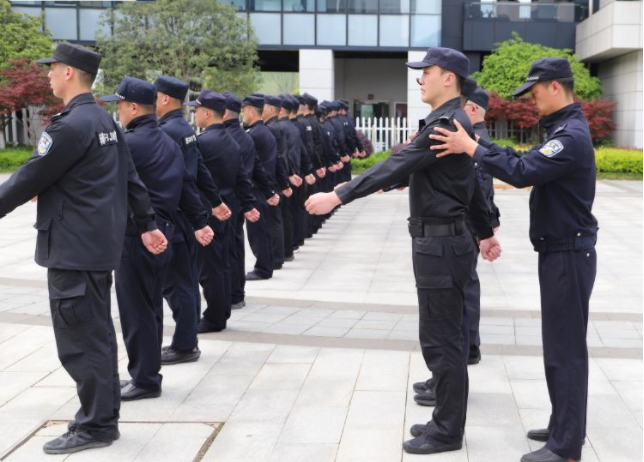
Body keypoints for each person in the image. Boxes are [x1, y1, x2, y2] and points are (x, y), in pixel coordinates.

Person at [305, 47, 502, 456]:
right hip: (448, 241)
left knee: (441, 340)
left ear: (449, 78)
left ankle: (447, 432)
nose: (419, 79)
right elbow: (466, 182)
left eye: (425, 72)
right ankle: (443, 421)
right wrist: (485, 231)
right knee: (445, 336)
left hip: (440, 245)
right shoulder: (455, 122)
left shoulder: (445, 124)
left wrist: (337, 194)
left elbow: (393, 166)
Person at [427, 57, 598, 462]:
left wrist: (471, 148)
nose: (531, 99)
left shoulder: (570, 136)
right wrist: (481, 145)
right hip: (561, 251)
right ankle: (564, 425)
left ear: (555, 86)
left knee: (566, 351)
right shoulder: (561, 129)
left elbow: (522, 171)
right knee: (559, 346)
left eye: (534, 91)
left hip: (568, 254)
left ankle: (566, 445)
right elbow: (520, 158)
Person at [0, 43, 167, 454]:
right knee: (96, 336)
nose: (48, 76)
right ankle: (101, 417)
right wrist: (146, 224)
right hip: (95, 246)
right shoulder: (104, 121)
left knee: (81, 342)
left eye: (52, 69)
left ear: (70, 73)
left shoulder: (70, 126)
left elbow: (26, 180)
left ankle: (95, 426)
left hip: (73, 250)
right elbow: (129, 178)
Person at [100, 77, 214, 401]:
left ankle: (145, 379)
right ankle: (147, 374)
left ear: (133, 107)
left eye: (120, 106)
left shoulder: (128, 144)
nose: (118, 112)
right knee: (151, 309)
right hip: (165, 233)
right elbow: (187, 186)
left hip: (136, 236)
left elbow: (110, 187)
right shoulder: (167, 141)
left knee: (136, 312)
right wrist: (199, 222)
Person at [154, 75, 231, 364]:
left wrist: (206, 210)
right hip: (187, 215)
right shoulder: (183, 127)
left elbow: (185, 177)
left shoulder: (168, 131)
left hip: (175, 217)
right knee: (185, 281)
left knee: (177, 284)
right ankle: (186, 341)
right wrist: (215, 202)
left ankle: (185, 345)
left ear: (163, 99)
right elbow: (200, 172)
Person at [188, 90, 260, 333]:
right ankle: (223, 309)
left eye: (196, 110)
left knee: (210, 269)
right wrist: (248, 205)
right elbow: (242, 178)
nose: (194, 114)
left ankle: (215, 317)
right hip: (229, 210)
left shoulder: (203, 142)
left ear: (207, 113)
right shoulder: (232, 140)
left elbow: (196, 179)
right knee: (223, 263)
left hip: (210, 211)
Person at [222, 91, 276, 307]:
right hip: (241, 199)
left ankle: (231, 295)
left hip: (225, 202)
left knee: (225, 252)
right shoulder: (245, 136)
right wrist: (269, 191)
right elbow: (257, 169)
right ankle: (237, 294)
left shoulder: (225, 137)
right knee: (236, 247)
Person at [241, 94, 281, 281]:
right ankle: (265, 265)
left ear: (250, 111)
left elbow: (254, 165)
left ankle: (263, 268)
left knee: (258, 233)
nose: (242, 114)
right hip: (264, 187)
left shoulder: (254, 134)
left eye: (243, 110)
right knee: (262, 230)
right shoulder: (264, 131)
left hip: (257, 188)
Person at [263, 95, 293, 269]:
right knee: (278, 218)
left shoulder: (273, 128)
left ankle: (276, 258)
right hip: (278, 178)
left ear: (272, 109)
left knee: (274, 220)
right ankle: (280, 255)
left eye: (265, 106)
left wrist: (283, 182)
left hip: (272, 179)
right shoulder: (275, 126)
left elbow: (278, 158)